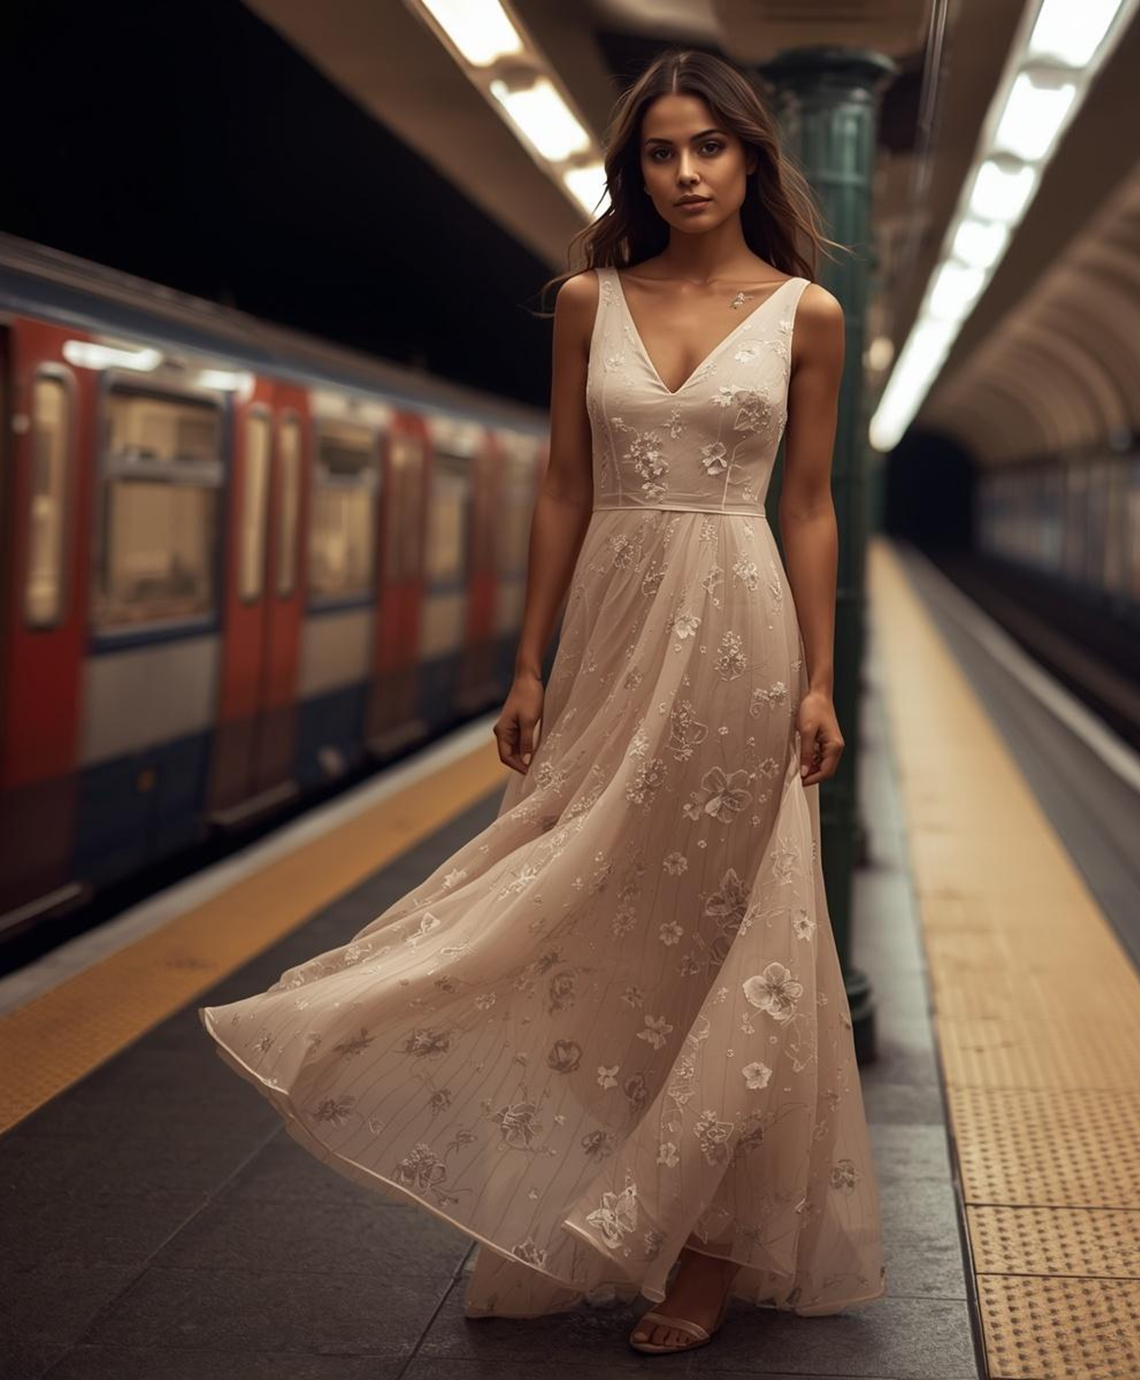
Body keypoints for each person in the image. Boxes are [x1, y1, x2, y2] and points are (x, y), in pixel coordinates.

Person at [199, 45, 885, 1358]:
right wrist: (526, 663)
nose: (684, 173)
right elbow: (566, 486)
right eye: (658, 153)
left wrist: (814, 678)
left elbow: (808, 504)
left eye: (708, 148)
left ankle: (705, 1248)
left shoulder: (807, 313)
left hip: (742, 631)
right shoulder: (589, 301)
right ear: (634, 170)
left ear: (751, 158)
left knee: (726, 933)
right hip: (614, 632)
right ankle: (583, 1214)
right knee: (585, 911)